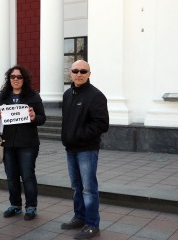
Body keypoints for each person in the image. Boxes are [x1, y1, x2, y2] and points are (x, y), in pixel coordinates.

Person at [60, 60, 109, 239]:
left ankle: (91, 224)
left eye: (83, 71)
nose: (79, 74)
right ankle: (79, 218)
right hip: (70, 149)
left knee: (88, 188)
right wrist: (68, 137)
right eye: (75, 71)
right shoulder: (67, 94)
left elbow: (102, 124)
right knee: (76, 186)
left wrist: (79, 135)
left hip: (87, 149)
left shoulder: (96, 96)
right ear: (70, 73)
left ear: (89, 74)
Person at [0, 65, 46, 221]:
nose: (16, 79)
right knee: (11, 177)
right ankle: (15, 205)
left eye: (19, 77)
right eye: (13, 77)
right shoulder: (3, 97)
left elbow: (42, 118)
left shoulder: (33, 96)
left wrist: (34, 116)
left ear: (25, 79)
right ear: (9, 79)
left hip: (28, 144)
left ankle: (31, 207)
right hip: (8, 144)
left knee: (28, 176)